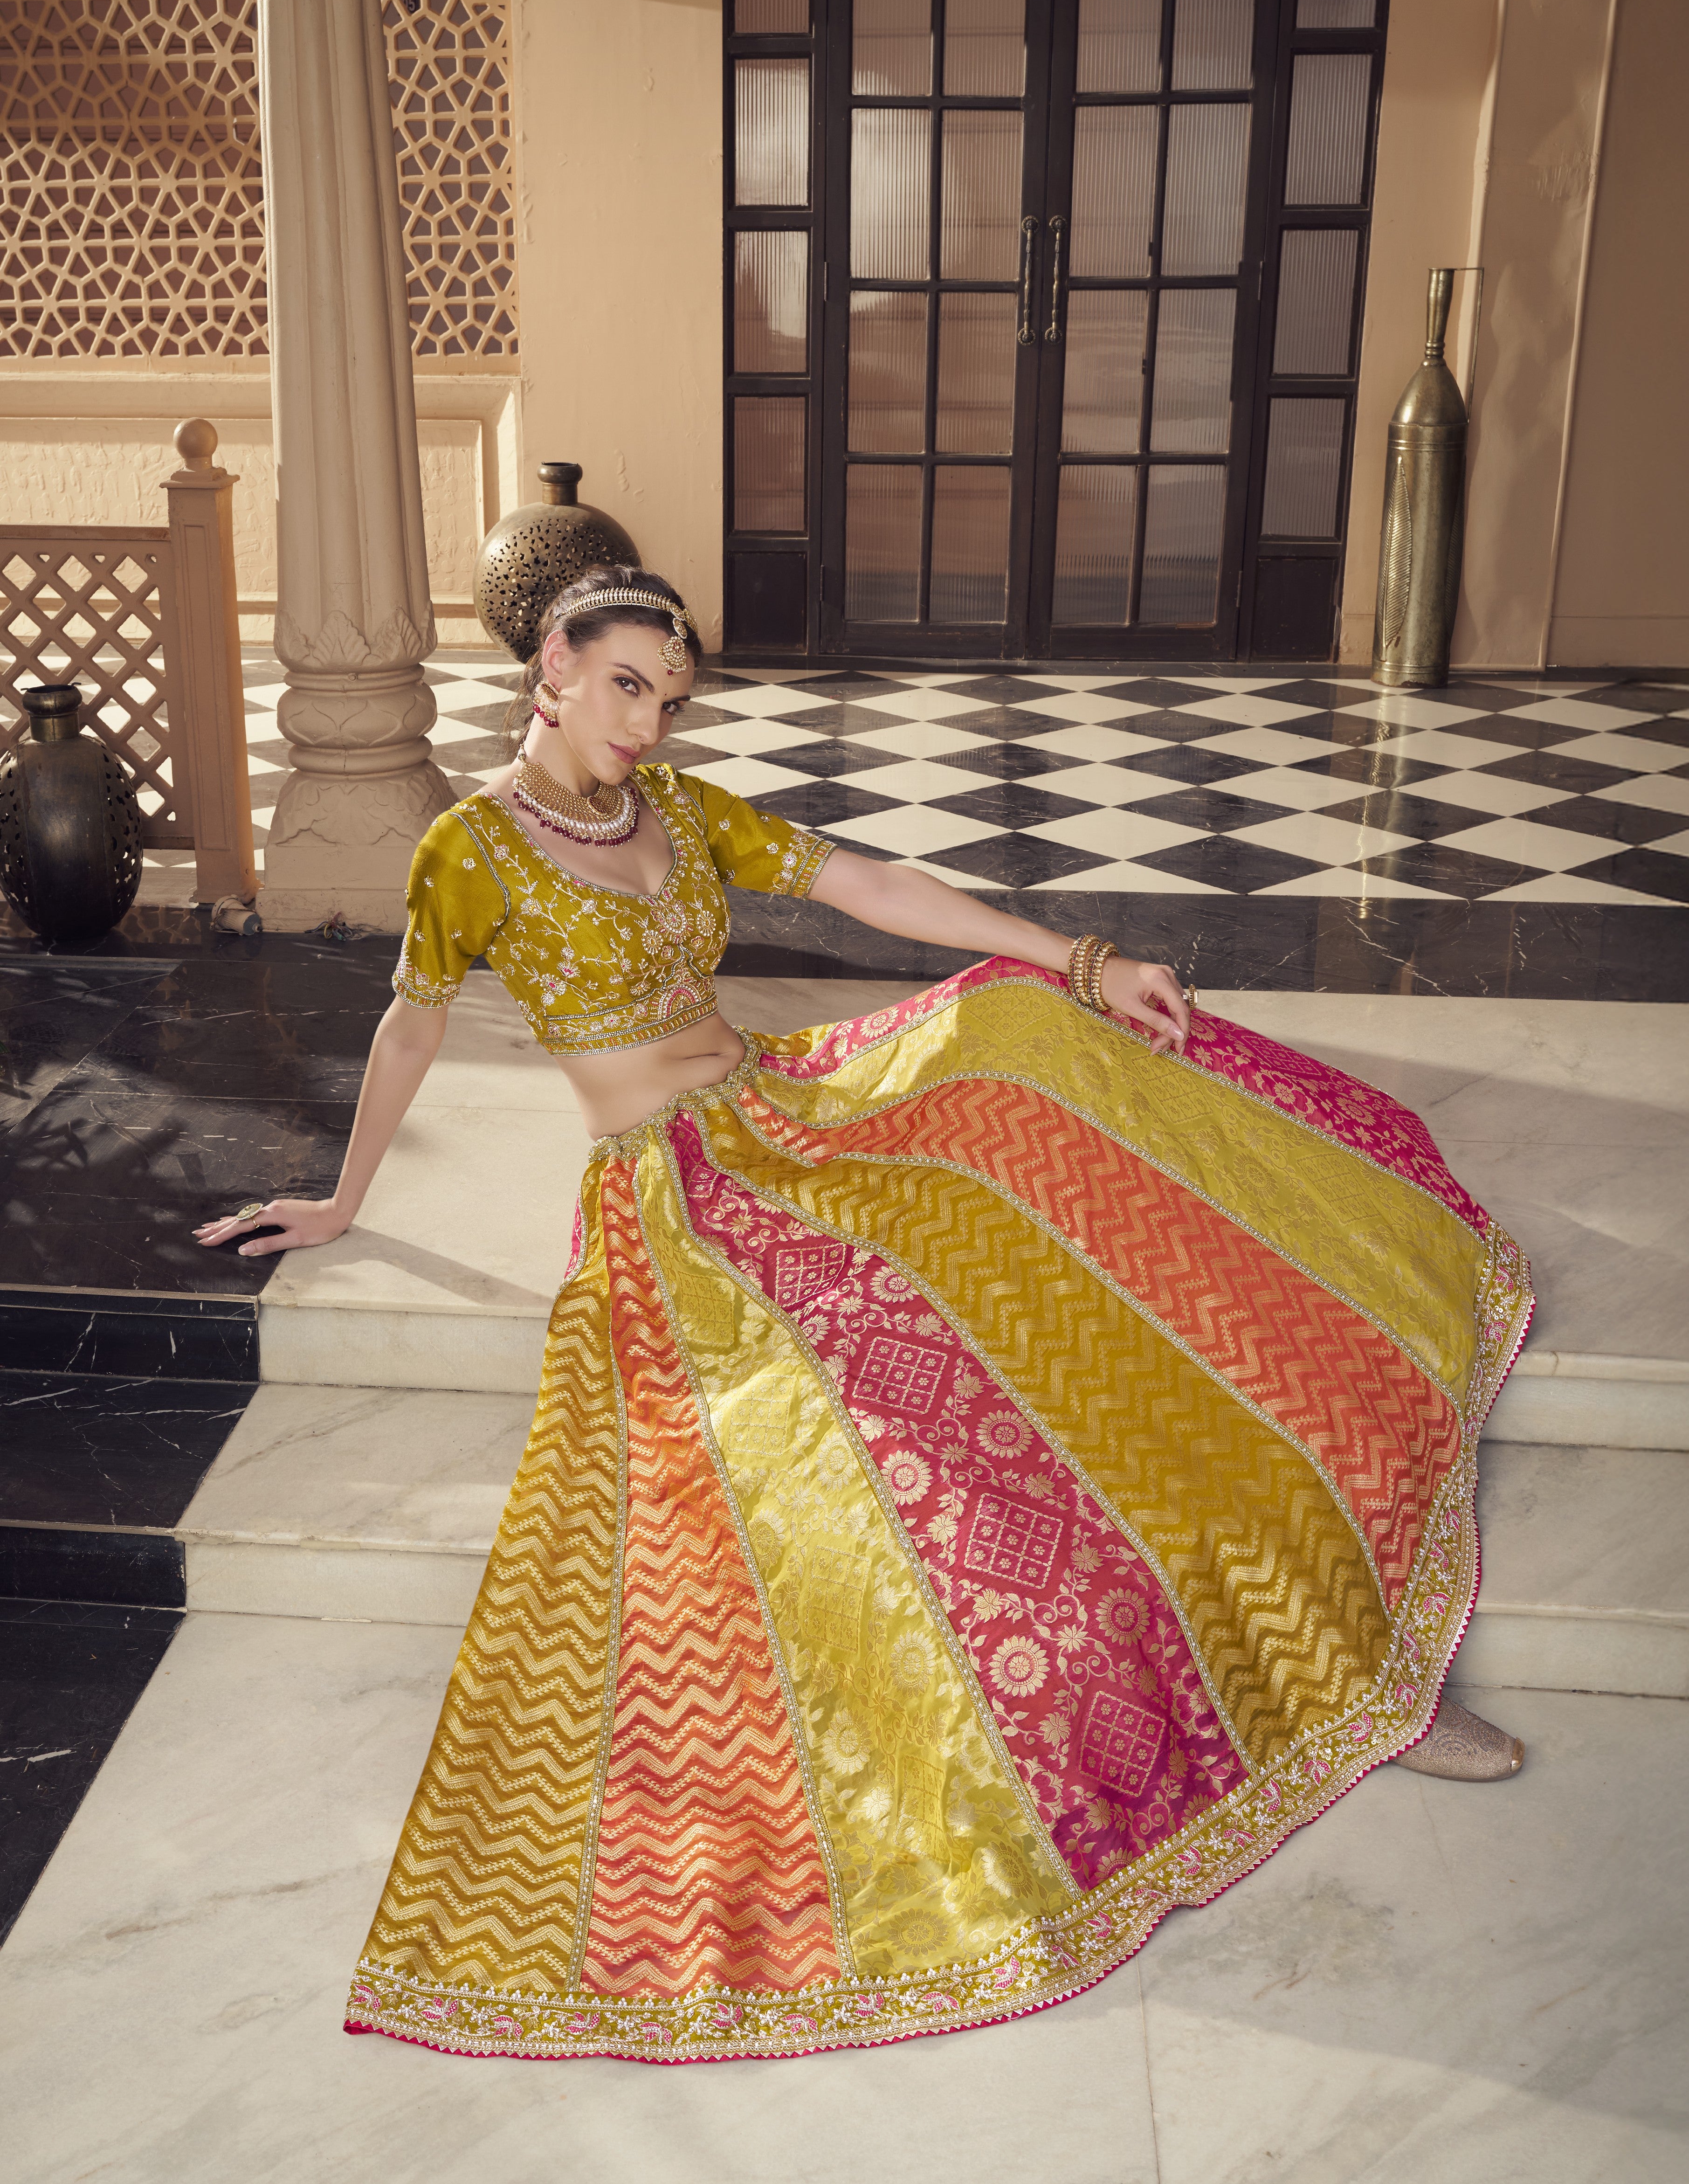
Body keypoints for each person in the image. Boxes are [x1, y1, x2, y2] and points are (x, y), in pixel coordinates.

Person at [197, 566, 1532, 2066]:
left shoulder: (683, 813)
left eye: (670, 697)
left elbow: (876, 889)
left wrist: (1083, 957)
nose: (649, 722)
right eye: (626, 684)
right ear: (552, 670)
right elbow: (412, 1020)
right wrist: (341, 1198)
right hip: (676, 1205)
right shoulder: (467, 851)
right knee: (915, 1447)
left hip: (789, 1116)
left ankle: (1360, 1676)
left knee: (1029, 1072)